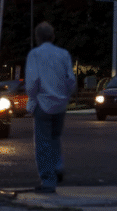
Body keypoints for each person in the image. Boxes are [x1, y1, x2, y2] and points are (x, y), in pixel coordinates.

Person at [23, 21, 77, 193]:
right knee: (55, 138)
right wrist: (66, 96)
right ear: (53, 36)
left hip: (43, 103)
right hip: (60, 104)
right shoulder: (64, 54)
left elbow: (33, 81)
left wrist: (32, 99)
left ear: (37, 37)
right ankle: (57, 166)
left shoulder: (35, 54)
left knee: (43, 143)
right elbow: (70, 80)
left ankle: (48, 180)